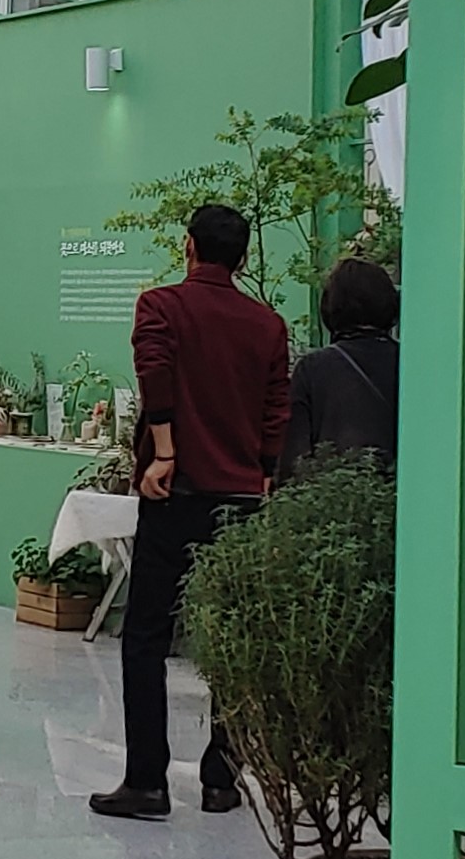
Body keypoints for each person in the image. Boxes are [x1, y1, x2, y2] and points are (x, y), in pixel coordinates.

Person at [90, 203, 287, 821]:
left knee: (147, 635)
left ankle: (147, 781)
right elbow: (275, 413)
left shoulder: (161, 306)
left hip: (175, 493)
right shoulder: (268, 326)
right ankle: (221, 779)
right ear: (244, 258)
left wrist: (165, 453)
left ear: (188, 247)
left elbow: (156, 374)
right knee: (232, 637)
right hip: (242, 500)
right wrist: (265, 475)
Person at [282, 257, 399, 479]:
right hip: (401, 492)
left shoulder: (312, 369)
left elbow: (295, 460)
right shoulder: (410, 365)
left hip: (334, 493)